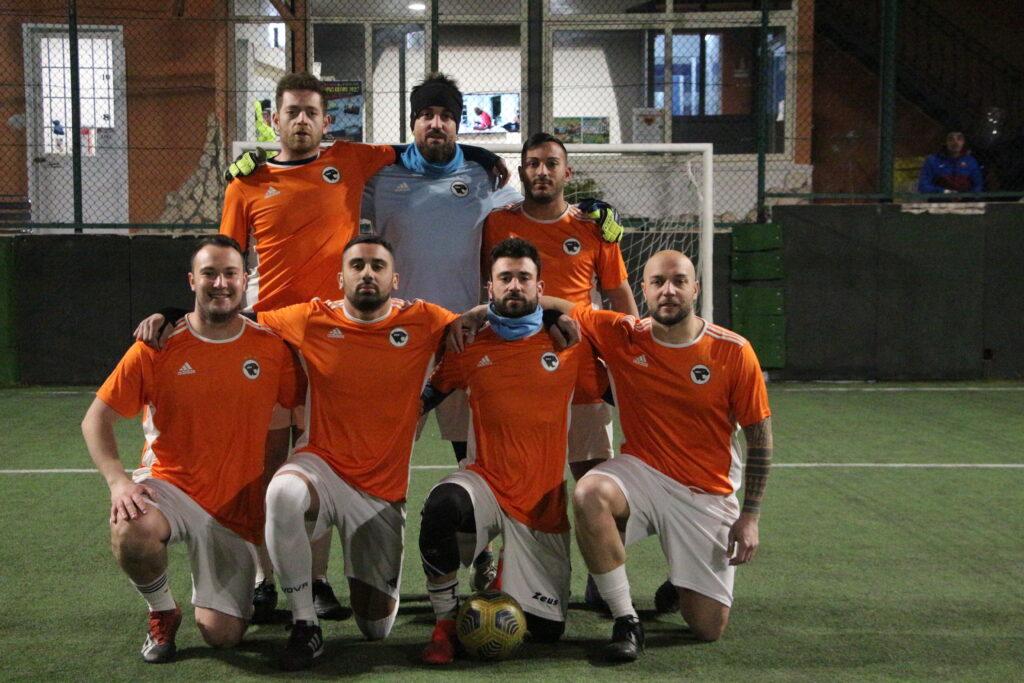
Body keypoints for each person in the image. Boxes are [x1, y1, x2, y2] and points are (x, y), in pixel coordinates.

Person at [221, 71, 402, 623]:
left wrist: (483, 157)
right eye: (292, 112)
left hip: (332, 343)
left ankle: (318, 580)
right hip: (270, 340)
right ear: (272, 120)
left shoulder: (350, 159)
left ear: (327, 122)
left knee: (322, 461)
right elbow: (227, 262)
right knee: (262, 464)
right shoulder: (246, 183)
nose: (301, 120)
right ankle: (262, 578)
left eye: (311, 113)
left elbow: (421, 150)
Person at [81, 235, 303, 664]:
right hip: (170, 487)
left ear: (245, 280)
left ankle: (225, 596)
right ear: (191, 280)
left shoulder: (271, 347)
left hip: (234, 507)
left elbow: (300, 408)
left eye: (230, 274)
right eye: (209, 274)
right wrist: (117, 482)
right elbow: (95, 420)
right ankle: (162, 609)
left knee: (223, 637)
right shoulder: (157, 345)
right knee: (131, 525)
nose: (220, 283)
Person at [545, 250, 773, 662]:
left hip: (704, 491)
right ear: (644, 290)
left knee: (707, 628)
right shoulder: (624, 333)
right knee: (589, 493)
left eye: (679, 281)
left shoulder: (733, 351)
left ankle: (682, 581)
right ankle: (625, 618)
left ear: (695, 289)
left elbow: (761, 440)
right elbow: (561, 304)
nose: (668, 291)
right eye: (658, 282)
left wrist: (751, 516)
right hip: (643, 472)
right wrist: (481, 311)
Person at [482, 132, 638, 607]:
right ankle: (511, 571)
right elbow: (487, 288)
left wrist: (636, 350)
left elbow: (617, 294)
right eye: (533, 163)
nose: (542, 172)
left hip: (581, 371)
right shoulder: (498, 223)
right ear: (521, 171)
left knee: (597, 478)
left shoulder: (593, 228)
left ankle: (604, 574)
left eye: (551, 163)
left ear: (567, 173)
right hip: (517, 372)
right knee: (519, 477)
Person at [418, 238, 580, 664]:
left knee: (545, 633)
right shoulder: (469, 344)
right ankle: (445, 623)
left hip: (541, 503)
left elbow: (595, 321)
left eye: (524, 278)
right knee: (441, 505)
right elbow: (430, 393)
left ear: (539, 287)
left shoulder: (569, 342)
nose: (514, 286)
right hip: (486, 483)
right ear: (489, 288)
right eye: (505, 278)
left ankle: (511, 569)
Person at [918, 130, 984, 196]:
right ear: (945, 142)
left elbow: (979, 185)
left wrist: (965, 195)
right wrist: (945, 192)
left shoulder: (971, 161)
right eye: (951, 139)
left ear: (963, 142)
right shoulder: (933, 161)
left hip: (965, 200)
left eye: (959, 139)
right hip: (940, 200)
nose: (955, 142)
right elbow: (923, 186)